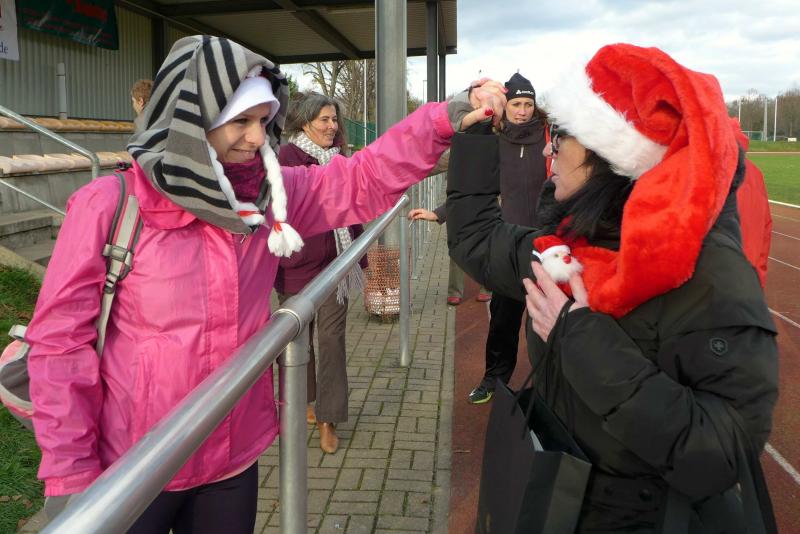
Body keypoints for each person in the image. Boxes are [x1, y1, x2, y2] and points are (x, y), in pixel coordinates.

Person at [25, 35, 505, 532]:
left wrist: (446, 116)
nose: (257, 138)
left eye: (263, 120)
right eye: (240, 121)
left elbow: (363, 179)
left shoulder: (268, 196)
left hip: (232, 459)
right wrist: (70, 470)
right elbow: (60, 344)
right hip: (131, 464)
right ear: (191, 119)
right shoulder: (109, 205)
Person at [446, 43, 778, 532]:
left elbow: (721, 453)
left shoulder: (712, 277)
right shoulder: (566, 248)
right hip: (560, 504)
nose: (547, 150)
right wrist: (474, 132)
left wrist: (580, 338)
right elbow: (475, 240)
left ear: (607, 155)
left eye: (561, 138)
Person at [410, 72, 550, 405]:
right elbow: (472, 186)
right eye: (516, 104)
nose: (522, 111)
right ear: (505, 106)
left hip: (544, 245)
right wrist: (440, 213)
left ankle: (548, 387)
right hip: (506, 248)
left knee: (546, 322)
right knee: (503, 321)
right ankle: (494, 380)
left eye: (528, 104)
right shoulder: (494, 142)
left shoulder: (549, 141)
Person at [276, 92, 367, 454]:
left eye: (334, 120)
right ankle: (306, 402)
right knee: (297, 340)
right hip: (295, 267)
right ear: (304, 122)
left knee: (331, 340)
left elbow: (351, 206)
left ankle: (329, 417)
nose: (332, 126)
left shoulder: (340, 158)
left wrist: (358, 253)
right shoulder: (285, 159)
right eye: (324, 120)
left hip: (335, 266)